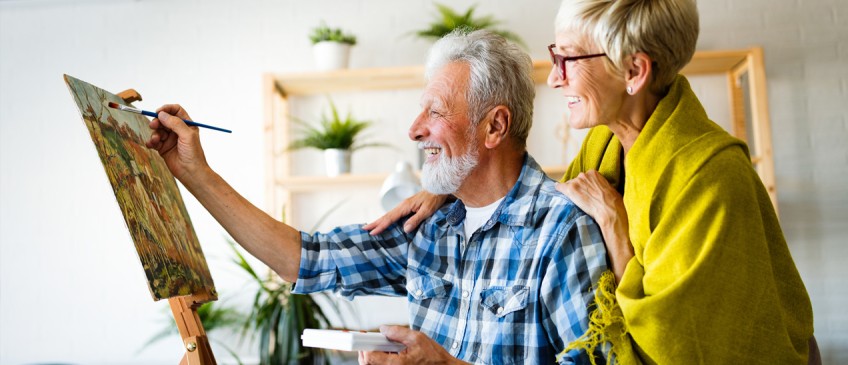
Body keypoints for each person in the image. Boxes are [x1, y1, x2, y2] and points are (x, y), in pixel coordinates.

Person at [365, 0, 816, 363]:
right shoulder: (607, 141)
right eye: (555, 55)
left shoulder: (712, 177)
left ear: (635, 72)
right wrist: (450, 181)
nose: (555, 78)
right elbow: (537, 191)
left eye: (570, 60)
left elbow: (681, 343)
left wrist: (617, 232)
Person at [146, 29, 609, 365]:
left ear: (495, 126)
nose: (414, 129)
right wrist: (193, 171)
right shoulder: (430, 225)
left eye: (436, 111)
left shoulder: (562, 228)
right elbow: (305, 259)